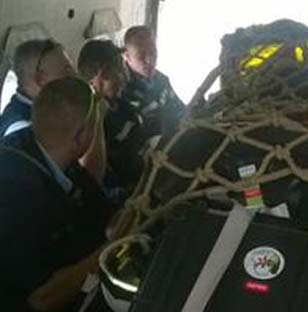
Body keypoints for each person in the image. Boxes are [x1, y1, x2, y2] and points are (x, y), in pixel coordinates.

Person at [0, 77, 114, 312]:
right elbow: (42, 297)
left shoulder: (60, 160)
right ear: (82, 136)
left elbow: (102, 210)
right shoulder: (14, 193)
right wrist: (110, 250)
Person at [78, 39, 147, 202]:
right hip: (122, 198)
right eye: (120, 71)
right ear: (104, 74)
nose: (125, 78)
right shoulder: (85, 119)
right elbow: (91, 176)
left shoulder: (121, 103)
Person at [0, 39, 75, 138]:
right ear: (40, 80)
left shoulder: (44, 112)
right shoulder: (23, 132)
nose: (74, 76)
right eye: (67, 71)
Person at [120, 25, 185, 139]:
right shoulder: (119, 88)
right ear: (127, 56)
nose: (149, 60)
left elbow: (180, 111)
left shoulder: (162, 81)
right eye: (141, 55)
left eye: (153, 52)